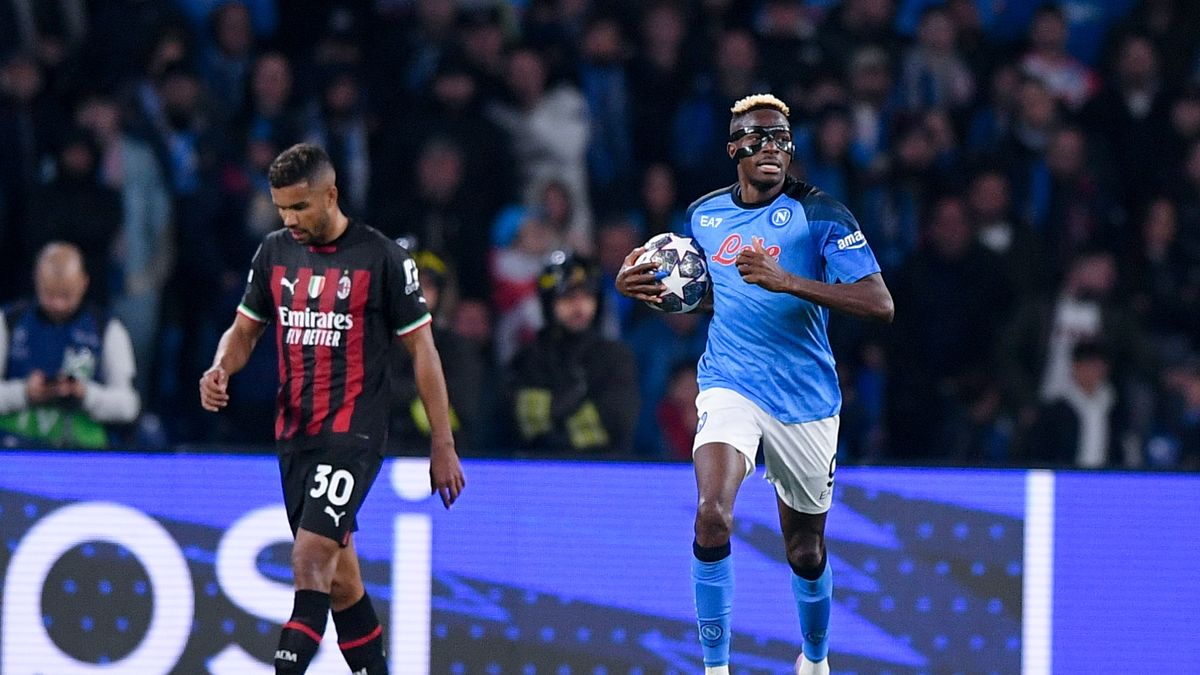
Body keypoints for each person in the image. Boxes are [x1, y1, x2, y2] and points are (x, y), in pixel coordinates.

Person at [616, 94, 893, 675]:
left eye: (782, 140)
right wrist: (645, 287)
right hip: (730, 383)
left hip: (805, 400)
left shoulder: (823, 214)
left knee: (805, 550)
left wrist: (788, 281)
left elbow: (878, 303)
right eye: (759, 139)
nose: (772, 149)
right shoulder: (703, 215)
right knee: (712, 513)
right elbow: (714, 294)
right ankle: (716, 668)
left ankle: (814, 660)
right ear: (733, 149)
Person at [198, 143, 465, 675]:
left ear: (331, 195)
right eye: (281, 209)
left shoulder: (383, 258)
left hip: (353, 435)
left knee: (308, 560)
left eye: (300, 207)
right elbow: (246, 329)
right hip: (295, 435)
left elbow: (423, 350)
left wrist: (443, 443)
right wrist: (221, 367)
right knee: (342, 583)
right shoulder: (273, 253)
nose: (289, 220)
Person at [0, 242, 140, 448]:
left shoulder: (108, 328)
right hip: (13, 450)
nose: (57, 304)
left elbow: (129, 405)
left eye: (66, 295)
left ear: (83, 283)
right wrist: (24, 393)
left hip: (85, 454)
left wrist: (85, 394)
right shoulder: (9, 321)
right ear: (36, 280)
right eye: (49, 294)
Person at [503, 251, 640, 455]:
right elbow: (519, 422)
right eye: (567, 297)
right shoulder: (527, 359)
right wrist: (572, 406)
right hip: (537, 469)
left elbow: (616, 425)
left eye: (587, 296)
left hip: (604, 471)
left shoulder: (615, 357)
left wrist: (551, 413)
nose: (579, 306)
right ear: (548, 303)